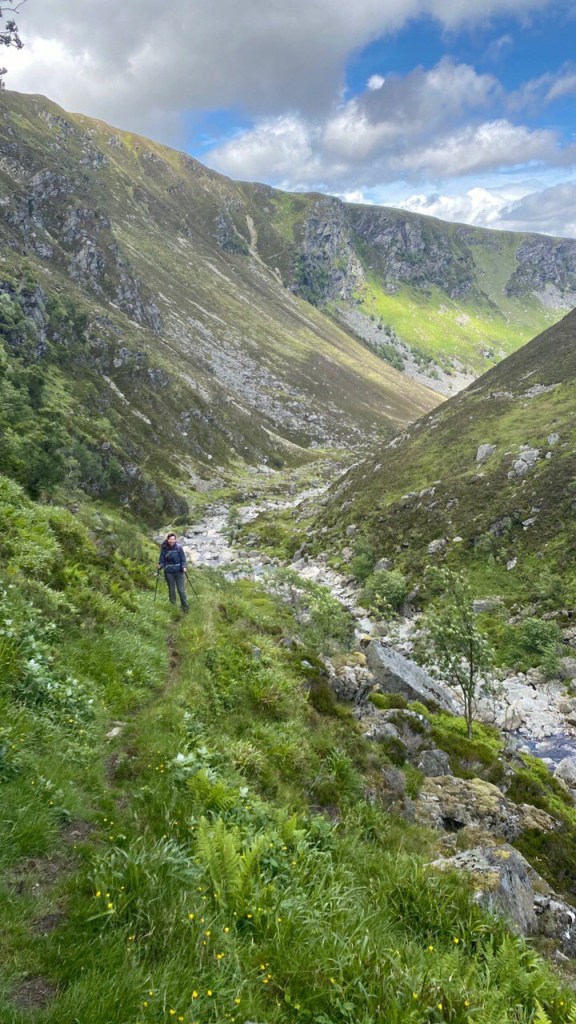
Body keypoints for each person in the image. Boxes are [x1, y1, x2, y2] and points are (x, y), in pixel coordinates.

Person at [158, 532, 189, 611]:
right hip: (169, 572)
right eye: (170, 539)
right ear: (167, 539)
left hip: (179, 571)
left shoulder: (179, 547)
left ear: (175, 540)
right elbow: (162, 560)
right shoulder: (164, 548)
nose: (172, 541)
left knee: (181, 590)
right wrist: (160, 565)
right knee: (171, 590)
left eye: (173, 539)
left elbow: (183, 559)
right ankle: (173, 607)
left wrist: (184, 566)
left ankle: (185, 608)